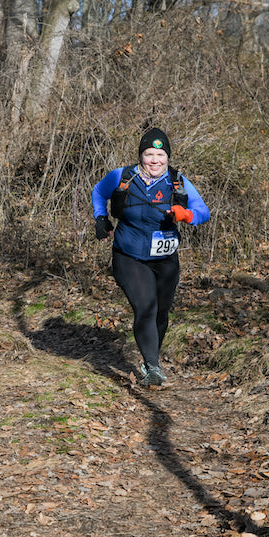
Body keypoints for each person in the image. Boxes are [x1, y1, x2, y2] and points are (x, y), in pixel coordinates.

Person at [91, 128, 210, 387]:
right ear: (140, 155)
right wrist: (101, 218)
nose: (155, 160)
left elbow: (203, 211)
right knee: (145, 305)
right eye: (149, 154)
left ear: (167, 157)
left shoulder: (178, 182)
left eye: (160, 154)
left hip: (166, 260)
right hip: (129, 255)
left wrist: (186, 215)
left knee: (161, 314)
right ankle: (154, 367)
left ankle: (149, 359)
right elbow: (98, 193)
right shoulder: (122, 177)